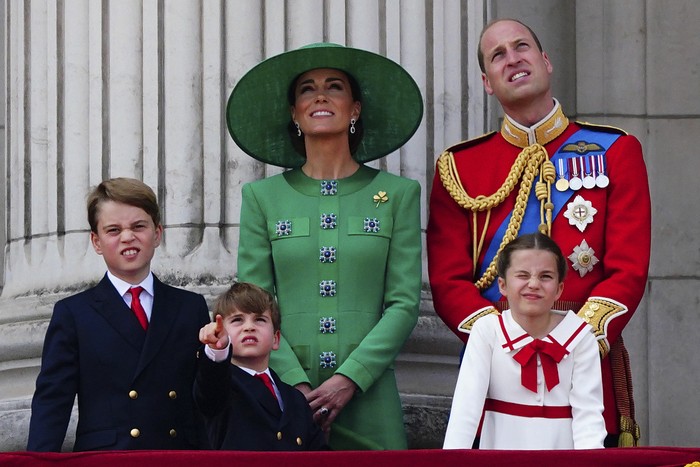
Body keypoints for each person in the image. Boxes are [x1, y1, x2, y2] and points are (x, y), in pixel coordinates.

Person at [427, 18, 651, 447]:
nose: (513, 59)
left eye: (521, 46)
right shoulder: (459, 167)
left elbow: (629, 269)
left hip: (586, 356)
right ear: (487, 82)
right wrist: (505, 344)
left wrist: (573, 341)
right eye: (498, 55)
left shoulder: (616, 151)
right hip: (493, 367)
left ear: (545, 61)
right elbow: (447, 280)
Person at [226, 42, 423, 450]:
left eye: (334, 86)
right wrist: (295, 386)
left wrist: (351, 378)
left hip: (370, 394)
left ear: (355, 109)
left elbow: (403, 303)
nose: (319, 95)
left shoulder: (398, 194)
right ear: (294, 114)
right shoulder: (262, 197)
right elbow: (252, 303)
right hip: (284, 393)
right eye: (306, 89)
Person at [27, 177, 211, 452]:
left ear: (157, 233)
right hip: (107, 457)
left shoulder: (190, 307)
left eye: (139, 226)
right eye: (113, 230)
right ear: (96, 241)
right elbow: (53, 401)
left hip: (176, 454)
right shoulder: (74, 314)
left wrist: (218, 356)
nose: (128, 237)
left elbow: (210, 400)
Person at [443, 233, 606, 450]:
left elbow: (589, 417)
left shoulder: (581, 336)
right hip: (500, 459)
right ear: (502, 285)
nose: (533, 284)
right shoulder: (487, 331)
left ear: (559, 289)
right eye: (522, 275)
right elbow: (466, 410)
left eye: (546, 276)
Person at [194, 282, 327, 450]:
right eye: (237, 320)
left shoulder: (296, 398)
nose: (249, 327)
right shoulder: (222, 386)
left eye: (259, 319)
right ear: (221, 331)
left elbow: (319, 455)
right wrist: (217, 350)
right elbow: (209, 389)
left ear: (276, 339)